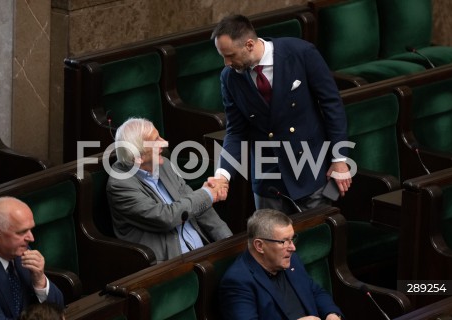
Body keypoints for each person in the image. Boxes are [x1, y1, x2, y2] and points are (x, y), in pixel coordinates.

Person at [210, 14, 352, 214]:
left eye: (230, 55)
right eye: (223, 56)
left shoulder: (301, 52)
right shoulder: (230, 78)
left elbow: (332, 105)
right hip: (268, 180)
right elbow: (235, 131)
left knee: (313, 239)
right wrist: (222, 174)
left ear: (249, 44)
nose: (226, 63)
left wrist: (339, 160)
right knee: (270, 242)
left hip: (310, 170)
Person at [107, 117, 233, 262]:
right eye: (155, 141)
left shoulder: (164, 165)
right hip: (170, 264)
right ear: (138, 157)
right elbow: (165, 217)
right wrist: (206, 194)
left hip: (202, 253)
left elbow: (199, 207)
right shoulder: (120, 185)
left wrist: (228, 241)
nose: (164, 142)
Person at [219, 209, 343, 319]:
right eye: (284, 242)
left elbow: (314, 291)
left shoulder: (291, 259)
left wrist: (331, 313)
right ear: (260, 246)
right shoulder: (238, 281)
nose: (293, 248)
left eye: (292, 239)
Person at [0, 197, 64, 320]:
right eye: (22, 232)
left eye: (31, 229)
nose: (31, 238)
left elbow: (58, 309)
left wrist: (40, 281)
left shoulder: (19, 251)